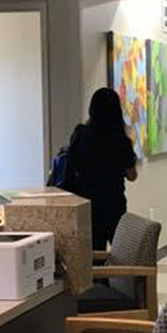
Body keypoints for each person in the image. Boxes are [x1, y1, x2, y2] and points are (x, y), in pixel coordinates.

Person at [67, 88, 138, 250]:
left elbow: (72, 164)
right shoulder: (120, 141)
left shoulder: (81, 134)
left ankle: (98, 276)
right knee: (120, 254)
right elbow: (132, 175)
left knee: (92, 256)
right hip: (114, 204)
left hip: (86, 204)